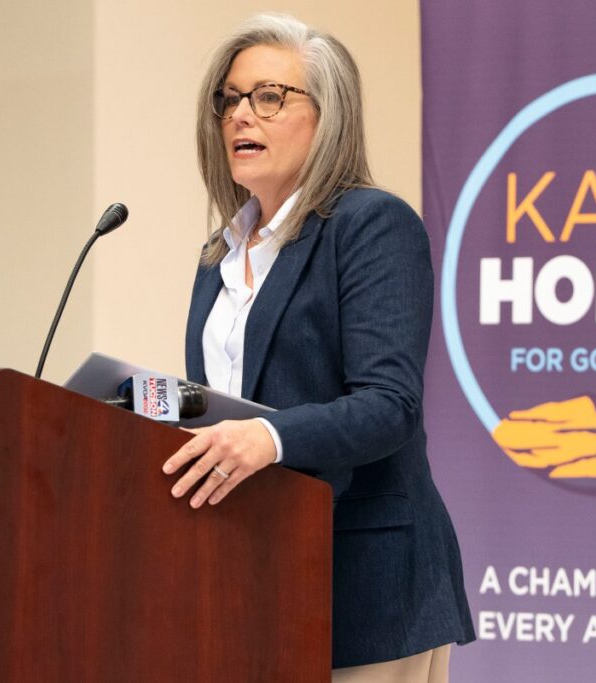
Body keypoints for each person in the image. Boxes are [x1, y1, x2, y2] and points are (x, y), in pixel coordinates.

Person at [161, 13, 475, 681]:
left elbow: (388, 404)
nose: (242, 115)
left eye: (270, 96)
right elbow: (229, 398)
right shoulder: (221, 253)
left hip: (366, 586)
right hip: (250, 576)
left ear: (329, 115)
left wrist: (266, 438)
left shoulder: (372, 225)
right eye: (230, 99)